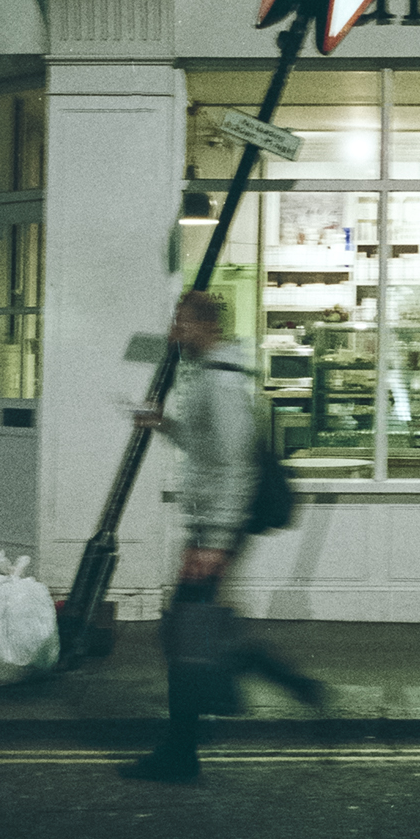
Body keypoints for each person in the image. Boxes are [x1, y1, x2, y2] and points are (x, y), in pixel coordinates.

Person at [121, 289, 323, 782]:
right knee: (188, 630)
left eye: (180, 323)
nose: (173, 333)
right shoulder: (210, 375)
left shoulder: (223, 382)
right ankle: (267, 678)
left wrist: (213, 540)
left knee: (185, 632)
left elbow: (235, 467)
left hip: (217, 527)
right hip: (210, 523)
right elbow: (204, 443)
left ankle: (183, 749)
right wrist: (163, 423)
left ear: (204, 326)